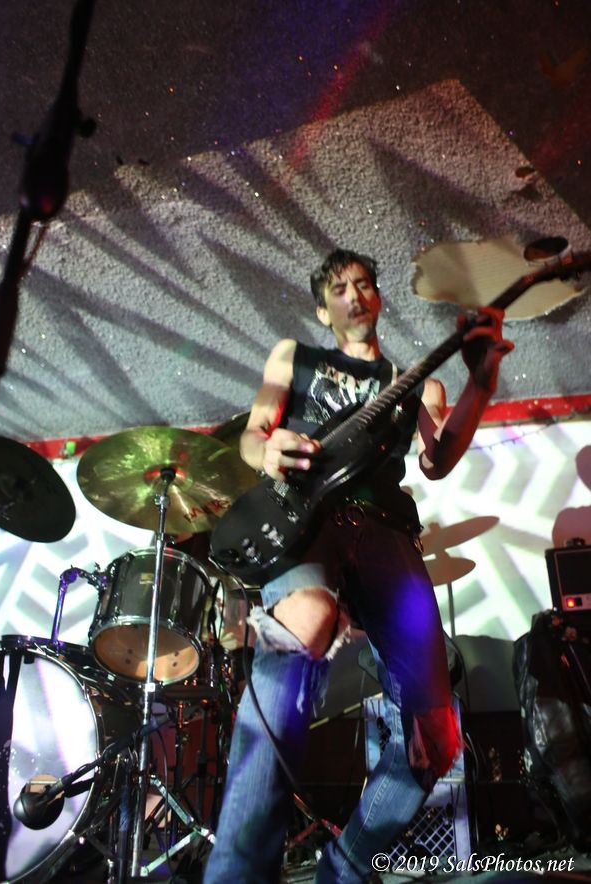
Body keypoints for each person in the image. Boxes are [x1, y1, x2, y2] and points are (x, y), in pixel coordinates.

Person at [204, 248, 513, 883]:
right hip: (307, 519)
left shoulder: (414, 381)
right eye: (339, 288)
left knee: (436, 739)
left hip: (387, 532)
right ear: (324, 309)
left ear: (378, 297)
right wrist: (267, 448)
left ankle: (345, 870)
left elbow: (435, 461)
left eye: (364, 284)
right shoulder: (294, 357)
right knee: (306, 620)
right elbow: (255, 433)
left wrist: (481, 384)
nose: (354, 295)